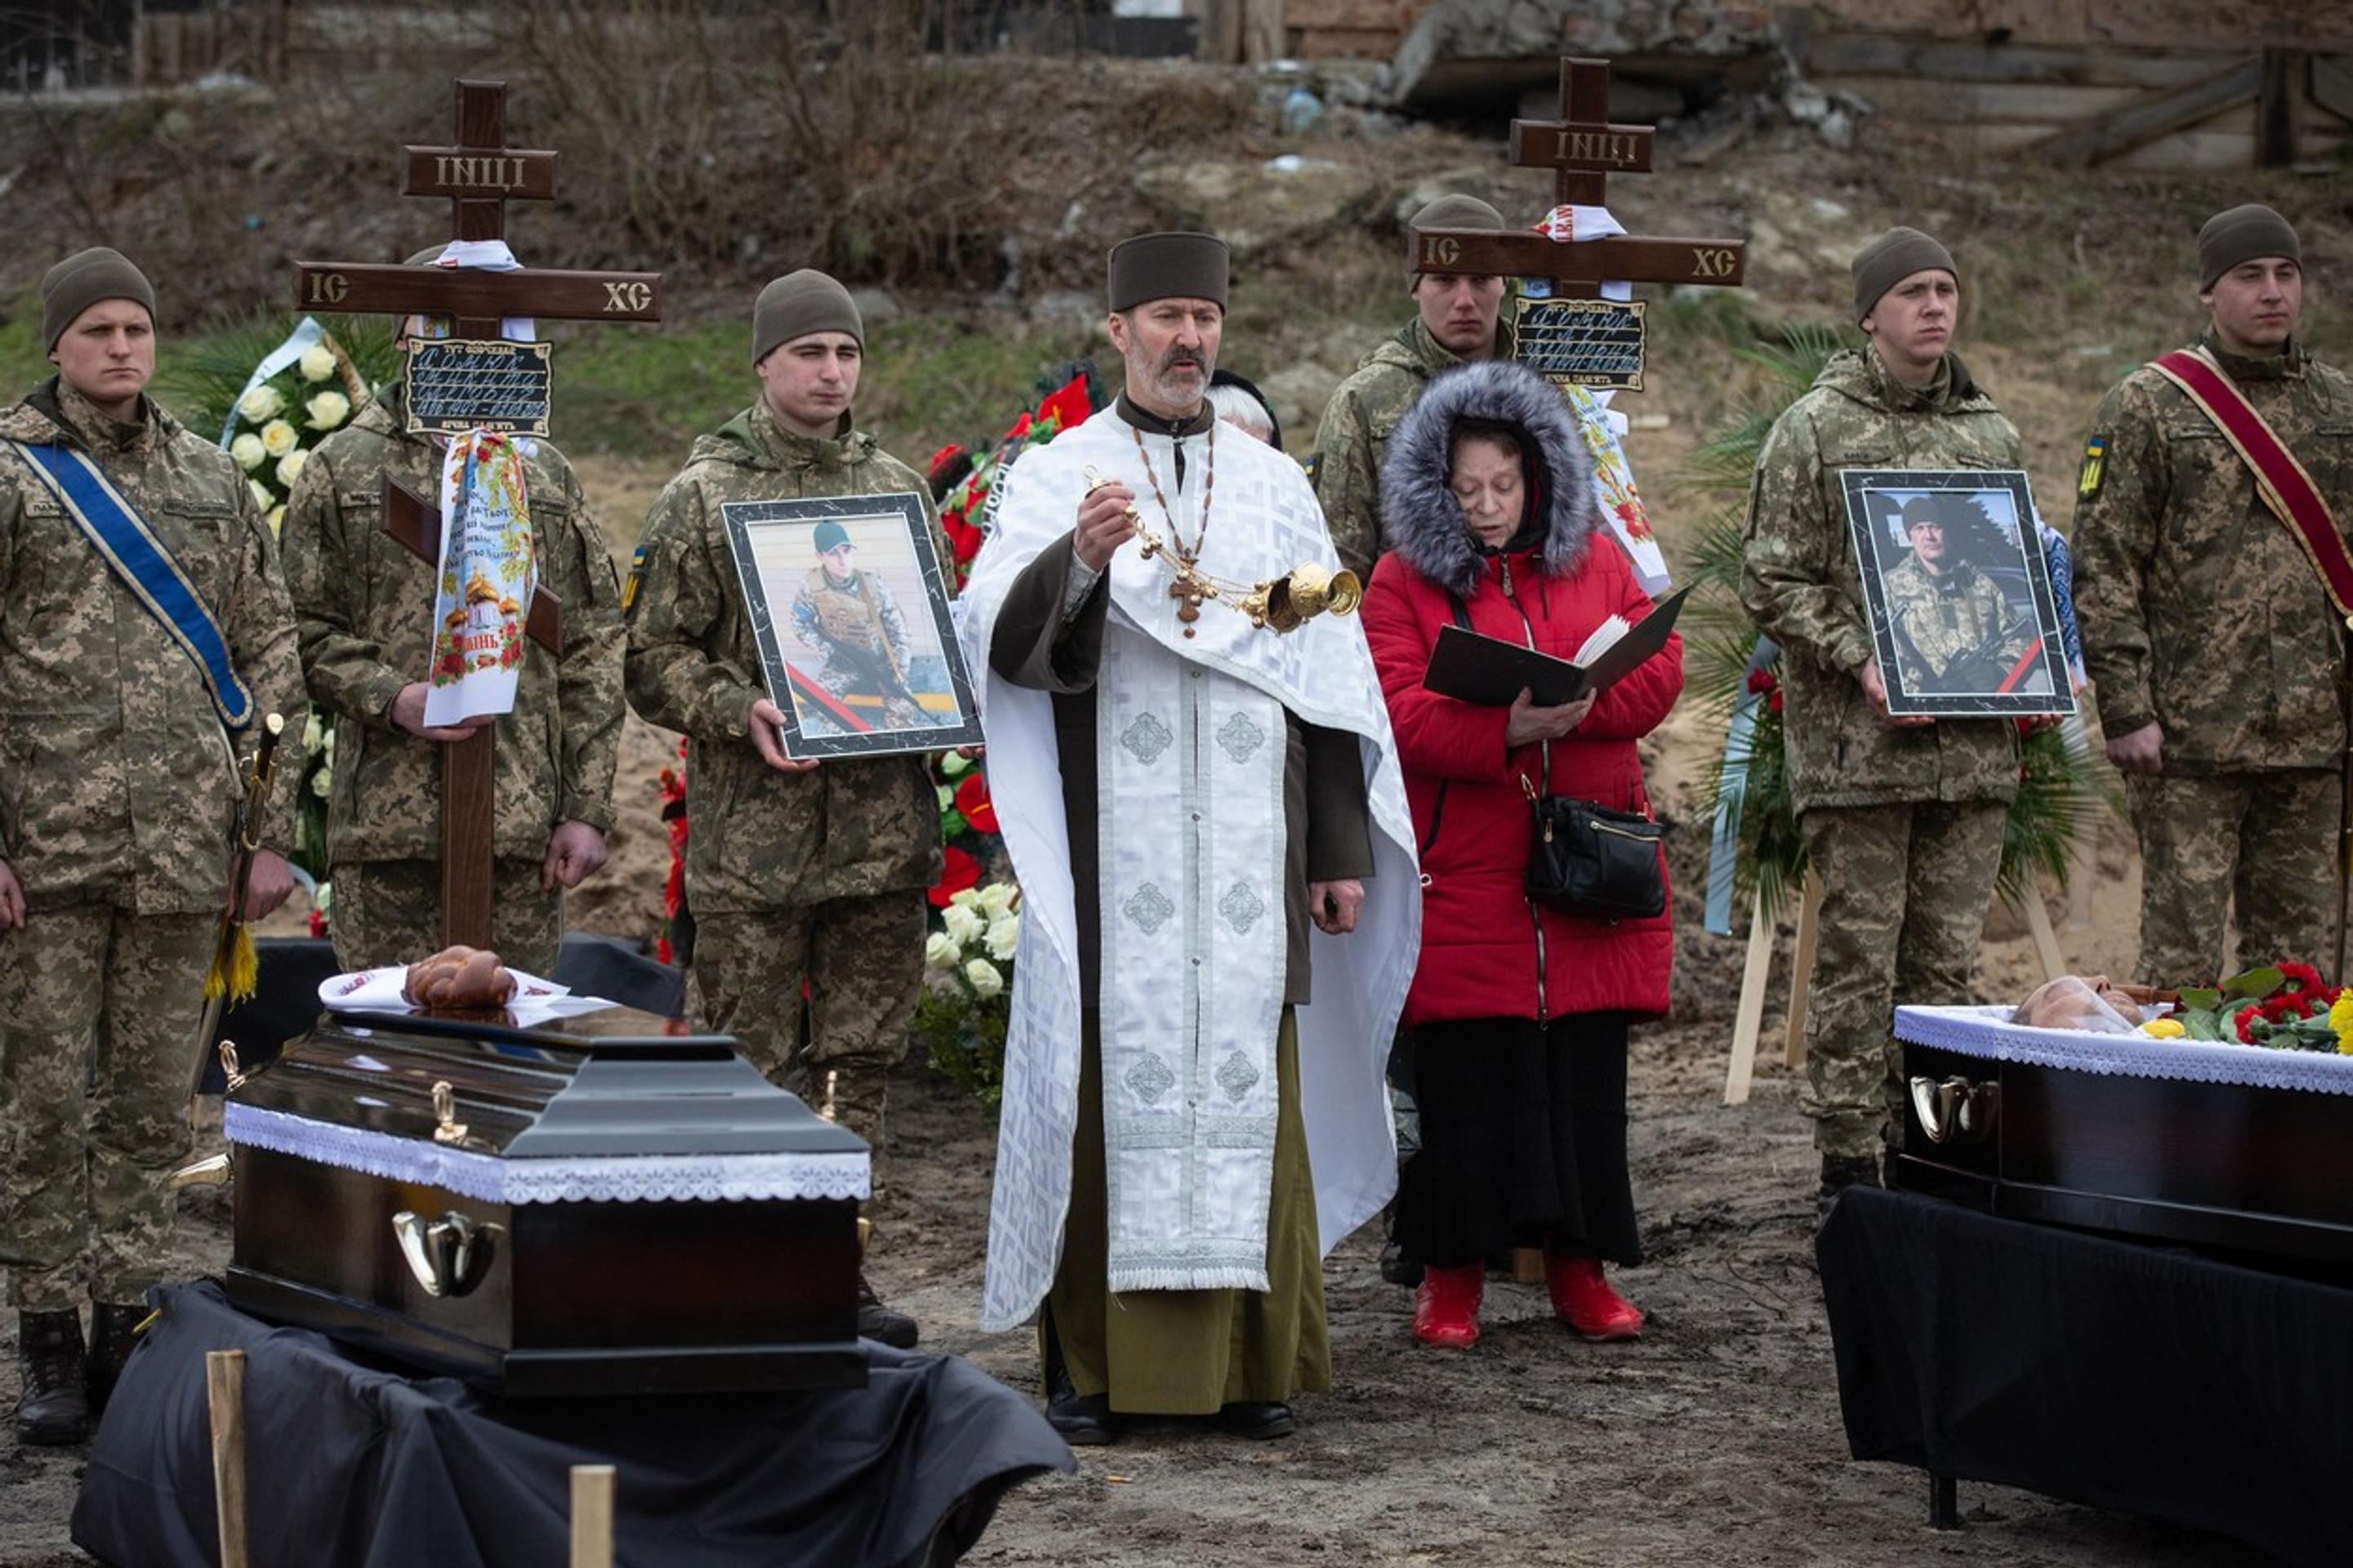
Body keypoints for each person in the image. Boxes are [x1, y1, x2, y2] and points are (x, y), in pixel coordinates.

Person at [959, 232, 1416, 1444]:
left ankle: (1253, 1369)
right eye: (1163, 318)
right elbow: (1005, 653)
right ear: (1117, 332)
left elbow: (1326, 679)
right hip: (1119, 851)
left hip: (1253, 857)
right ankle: (1094, 1372)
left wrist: (1336, 851)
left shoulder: (1272, 486)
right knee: (1111, 1090)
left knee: (1247, 1093)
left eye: (1204, 319)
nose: (1187, 340)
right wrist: (1081, 563)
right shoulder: (1063, 473)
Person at [0, 247, 305, 1443]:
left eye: (138, 328)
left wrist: (263, 832)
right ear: (60, 344)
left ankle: (125, 1324)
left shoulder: (211, 481)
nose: (122, 348)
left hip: (185, 853)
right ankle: (43, 1345)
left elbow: (270, 653)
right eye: (99, 331)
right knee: (35, 1106)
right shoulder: (16, 479)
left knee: (145, 1109)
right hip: (50, 852)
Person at [625, 270, 944, 1349]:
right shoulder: (701, 495)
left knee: (859, 1061)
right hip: (755, 845)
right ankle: (733, 1270)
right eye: (808, 353)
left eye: (845, 353)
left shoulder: (898, 488)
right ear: (763, 365)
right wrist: (736, 705)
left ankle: (834, 1263)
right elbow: (650, 659)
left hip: (879, 838)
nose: (830, 372)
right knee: (746, 1064)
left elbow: (923, 641)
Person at [1361, 359, 1680, 1349]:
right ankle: (1448, 1278)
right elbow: (1396, 706)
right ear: (1433, 490)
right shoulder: (1399, 580)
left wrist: (1579, 710)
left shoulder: (1593, 561)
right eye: (1467, 492)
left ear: (1538, 478)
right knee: (1465, 1081)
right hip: (1467, 872)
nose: (1489, 509)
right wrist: (1502, 731)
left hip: (1585, 867)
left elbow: (1659, 662)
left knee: (1580, 1078)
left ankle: (1579, 1274)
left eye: (1505, 487)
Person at [1739, 227, 2025, 1213]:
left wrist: (2033, 663)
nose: (1934, 307)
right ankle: (1847, 1165)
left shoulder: (1990, 433)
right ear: (1869, 315)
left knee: (1947, 969)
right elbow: (1769, 578)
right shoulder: (1815, 429)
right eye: (1911, 292)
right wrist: (1860, 657)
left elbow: (2009, 577)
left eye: (1946, 288)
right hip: (1862, 754)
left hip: (1971, 751)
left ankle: (1934, 1154)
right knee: (1861, 961)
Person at [279, 247, 626, 977]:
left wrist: (586, 806)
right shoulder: (343, 466)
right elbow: (297, 631)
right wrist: (392, 697)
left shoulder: (544, 473)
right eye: (439, 321)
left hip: (521, 823)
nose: (469, 340)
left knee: (508, 1054)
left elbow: (591, 642)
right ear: (405, 332)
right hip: (389, 826)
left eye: (494, 324)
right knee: (393, 1057)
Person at [2072, 204, 2353, 987]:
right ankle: (2178, 1115)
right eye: (2249, 275)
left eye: (2286, 273)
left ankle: (2283, 1114)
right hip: (2188, 739)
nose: (2272, 292)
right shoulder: (2149, 406)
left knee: (2300, 971)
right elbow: (2104, 565)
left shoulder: (2339, 409)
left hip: (2314, 735)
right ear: (2209, 291)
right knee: (2179, 967)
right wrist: (2125, 708)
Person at [1311, 194, 1514, 581]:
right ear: (1415, 289)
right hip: (1411, 624)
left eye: (1482, 280)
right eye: (1444, 281)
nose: (1465, 300)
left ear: (1504, 283)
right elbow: (1339, 559)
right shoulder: (1365, 400)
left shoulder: (1548, 382)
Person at [1880, 495, 2039, 696]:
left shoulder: (1980, 584)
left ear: (1946, 532)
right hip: (1923, 716)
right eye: (1919, 528)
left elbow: (2020, 638)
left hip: (1987, 711)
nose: (1929, 535)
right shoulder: (1890, 587)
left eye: (1935, 526)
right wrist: (1925, 695)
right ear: (1909, 536)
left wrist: (1999, 672)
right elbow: (1888, 656)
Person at [788, 519, 925, 730]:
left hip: (881, 662)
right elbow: (800, 625)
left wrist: (899, 672)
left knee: (903, 709)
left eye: (847, 551)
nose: (843, 560)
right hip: (842, 663)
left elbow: (900, 635)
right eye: (834, 553)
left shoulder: (875, 586)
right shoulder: (811, 586)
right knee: (821, 702)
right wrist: (830, 652)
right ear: (820, 556)